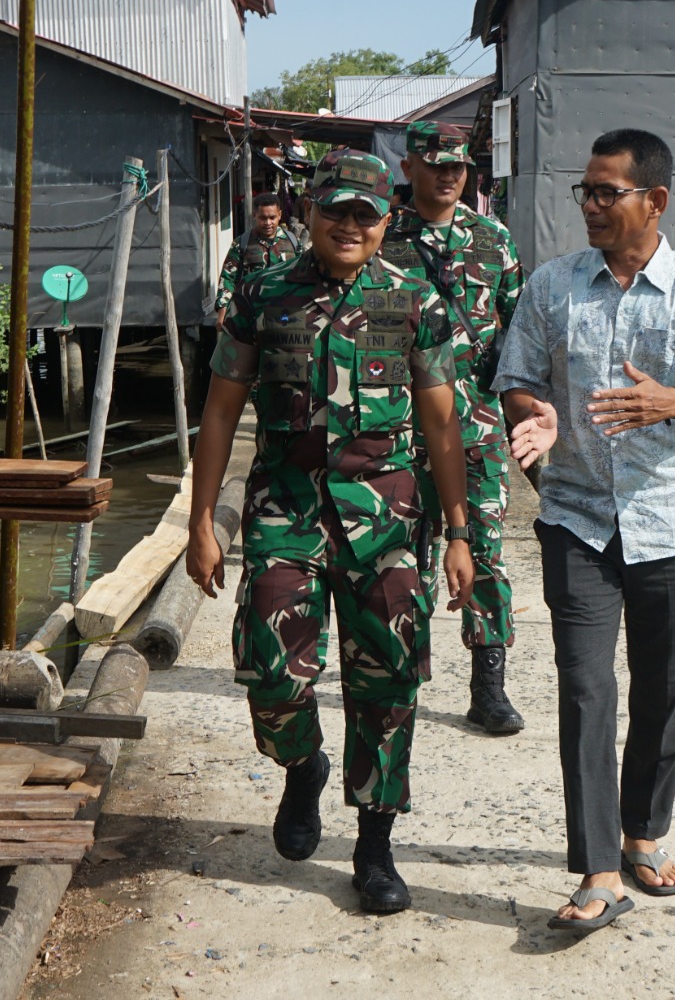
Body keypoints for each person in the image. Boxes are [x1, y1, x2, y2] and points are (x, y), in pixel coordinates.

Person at [186, 148, 476, 915]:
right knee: (270, 667)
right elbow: (220, 410)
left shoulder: (414, 300)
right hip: (284, 512)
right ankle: (303, 764)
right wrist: (200, 522)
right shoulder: (261, 294)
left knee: (389, 682)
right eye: (335, 210)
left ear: (385, 219)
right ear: (309, 212)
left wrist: (459, 532)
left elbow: (442, 425)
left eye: (364, 214)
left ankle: (374, 847)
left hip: (386, 522)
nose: (349, 225)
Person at [492, 128, 675, 931]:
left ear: (655, 200)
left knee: (662, 686)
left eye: (608, 192)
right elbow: (516, 380)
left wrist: (674, 401)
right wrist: (536, 415)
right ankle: (599, 868)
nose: (592, 206)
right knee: (584, 687)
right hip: (575, 516)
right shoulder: (551, 286)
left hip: (671, 519)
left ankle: (644, 833)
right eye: (587, 191)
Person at [380, 120, 526, 734]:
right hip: (399, 427)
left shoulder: (493, 238)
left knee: (484, 551)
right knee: (402, 552)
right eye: (436, 164)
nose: (448, 175)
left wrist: (526, 411)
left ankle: (488, 686)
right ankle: (402, 672)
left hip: (477, 426)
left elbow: (521, 330)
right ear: (408, 166)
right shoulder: (382, 236)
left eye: (458, 166)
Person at [214, 193, 301, 325]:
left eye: (272, 217)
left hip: (286, 313)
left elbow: (304, 275)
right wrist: (222, 312)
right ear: (254, 215)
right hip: (251, 314)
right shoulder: (242, 243)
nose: (268, 223)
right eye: (263, 218)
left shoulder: (293, 242)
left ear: (279, 215)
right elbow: (228, 279)